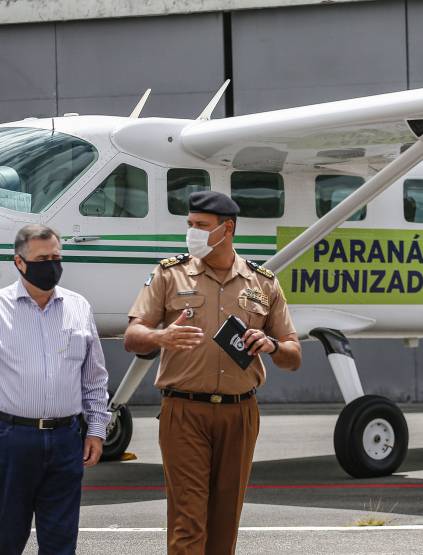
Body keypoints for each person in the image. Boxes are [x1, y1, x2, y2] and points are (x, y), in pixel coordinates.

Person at [124, 191, 301, 554]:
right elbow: (133, 336)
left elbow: (293, 355)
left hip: (240, 413)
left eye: (201, 226)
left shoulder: (262, 282)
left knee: (225, 523)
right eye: (190, 224)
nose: (192, 233)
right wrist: (162, 336)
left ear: (227, 228)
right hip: (184, 411)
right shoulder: (169, 274)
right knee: (188, 522)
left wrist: (271, 345)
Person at [0, 223, 110, 555]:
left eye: (56, 256)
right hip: (11, 437)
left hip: (66, 439)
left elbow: (94, 378)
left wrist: (96, 429)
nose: (51, 264)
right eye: (41, 257)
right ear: (20, 262)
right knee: (6, 536)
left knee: (61, 540)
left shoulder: (79, 308)